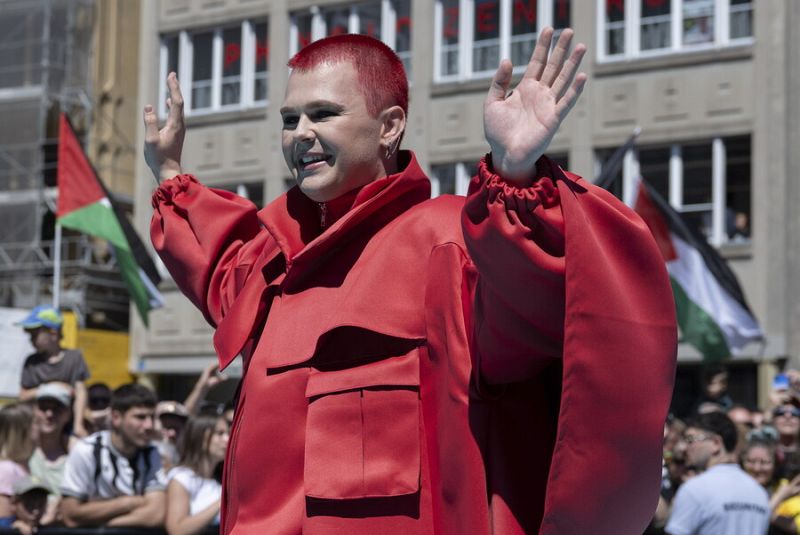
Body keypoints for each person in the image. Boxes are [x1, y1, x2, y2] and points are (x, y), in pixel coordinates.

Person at [146, 29, 677, 534]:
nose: (300, 133)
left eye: (323, 113)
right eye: (290, 119)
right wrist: (171, 176)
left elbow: (543, 315)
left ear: (389, 126)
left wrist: (516, 175)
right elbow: (219, 264)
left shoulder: (448, 242)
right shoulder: (274, 256)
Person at [59, 383, 166, 528]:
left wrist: (100, 523)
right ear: (116, 418)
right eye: (140, 417)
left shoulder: (151, 453)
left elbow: (156, 515)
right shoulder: (87, 451)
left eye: (152, 417)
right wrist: (128, 503)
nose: (149, 425)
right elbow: (70, 514)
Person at [665, 412, 769, 535]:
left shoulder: (696, 489)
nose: (684, 448)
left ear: (716, 443)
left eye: (690, 439)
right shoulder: (759, 492)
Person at [16, 305, 90, 437]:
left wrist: (78, 425)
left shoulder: (74, 358)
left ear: (53, 334)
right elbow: (23, 396)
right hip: (39, 427)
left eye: (35, 335)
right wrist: (52, 387)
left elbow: (80, 392)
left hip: (66, 427)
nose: (31, 340)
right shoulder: (32, 362)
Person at [165, 415, 229, 535]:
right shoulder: (181, 477)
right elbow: (177, 530)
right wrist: (222, 501)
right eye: (220, 434)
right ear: (200, 437)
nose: (227, 439)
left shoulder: (220, 480)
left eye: (228, 433)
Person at [28, 383, 77, 525]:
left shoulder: (76, 454)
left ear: (68, 414)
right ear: (34, 411)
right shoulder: (22, 451)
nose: (49, 414)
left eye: (57, 409)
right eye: (43, 408)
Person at [0, 403, 34, 525]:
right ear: (23, 431)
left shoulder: (23, 465)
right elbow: (3, 522)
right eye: (34, 424)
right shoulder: (7, 470)